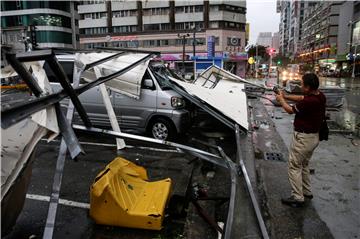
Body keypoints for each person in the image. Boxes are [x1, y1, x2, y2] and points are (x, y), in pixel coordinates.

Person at [275, 73, 326, 207]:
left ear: (308, 87)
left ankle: (298, 197)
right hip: (313, 138)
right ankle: (307, 191)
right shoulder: (319, 96)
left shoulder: (309, 102)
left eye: (302, 84)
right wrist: (285, 96)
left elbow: (290, 110)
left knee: (294, 166)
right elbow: (301, 98)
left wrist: (281, 101)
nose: (300, 86)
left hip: (303, 139)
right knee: (304, 165)